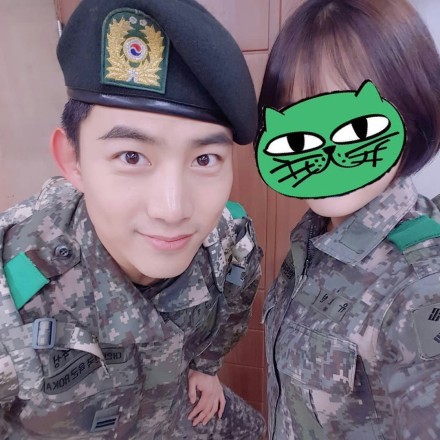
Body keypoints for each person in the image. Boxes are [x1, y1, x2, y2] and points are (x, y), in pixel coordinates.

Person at [0, 0, 266, 438]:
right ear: (73, 160)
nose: (173, 210)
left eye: (204, 159)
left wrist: (207, 364)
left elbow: (240, 287)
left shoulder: (228, 239)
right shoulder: (12, 291)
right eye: (131, 156)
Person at [257, 0, 440, 438]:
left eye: (356, 127)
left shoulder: (421, 284)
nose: (324, 154)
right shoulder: (313, 238)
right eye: (299, 131)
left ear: (412, 112)